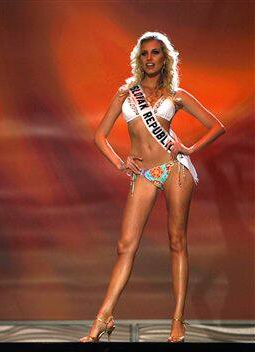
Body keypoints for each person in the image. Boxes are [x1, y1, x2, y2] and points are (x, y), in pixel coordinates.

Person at [78, 31, 225, 343]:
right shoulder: (126, 93)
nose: (149, 58)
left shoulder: (177, 96)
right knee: (125, 246)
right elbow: (99, 136)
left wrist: (190, 148)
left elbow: (217, 126)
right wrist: (120, 162)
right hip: (144, 172)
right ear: (139, 59)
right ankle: (104, 317)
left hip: (175, 169)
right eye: (144, 53)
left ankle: (178, 321)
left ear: (164, 58)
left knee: (176, 242)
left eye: (155, 53)